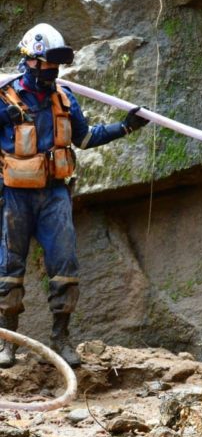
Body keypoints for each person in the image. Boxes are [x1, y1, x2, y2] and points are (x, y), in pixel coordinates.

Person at [0, 23, 149, 369]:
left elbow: (84, 138)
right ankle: (6, 344)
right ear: (30, 61)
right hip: (15, 197)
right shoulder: (6, 96)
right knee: (8, 271)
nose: (52, 71)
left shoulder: (65, 98)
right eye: (46, 64)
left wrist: (125, 126)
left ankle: (61, 339)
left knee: (65, 268)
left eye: (56, 66)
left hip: (55, 196)